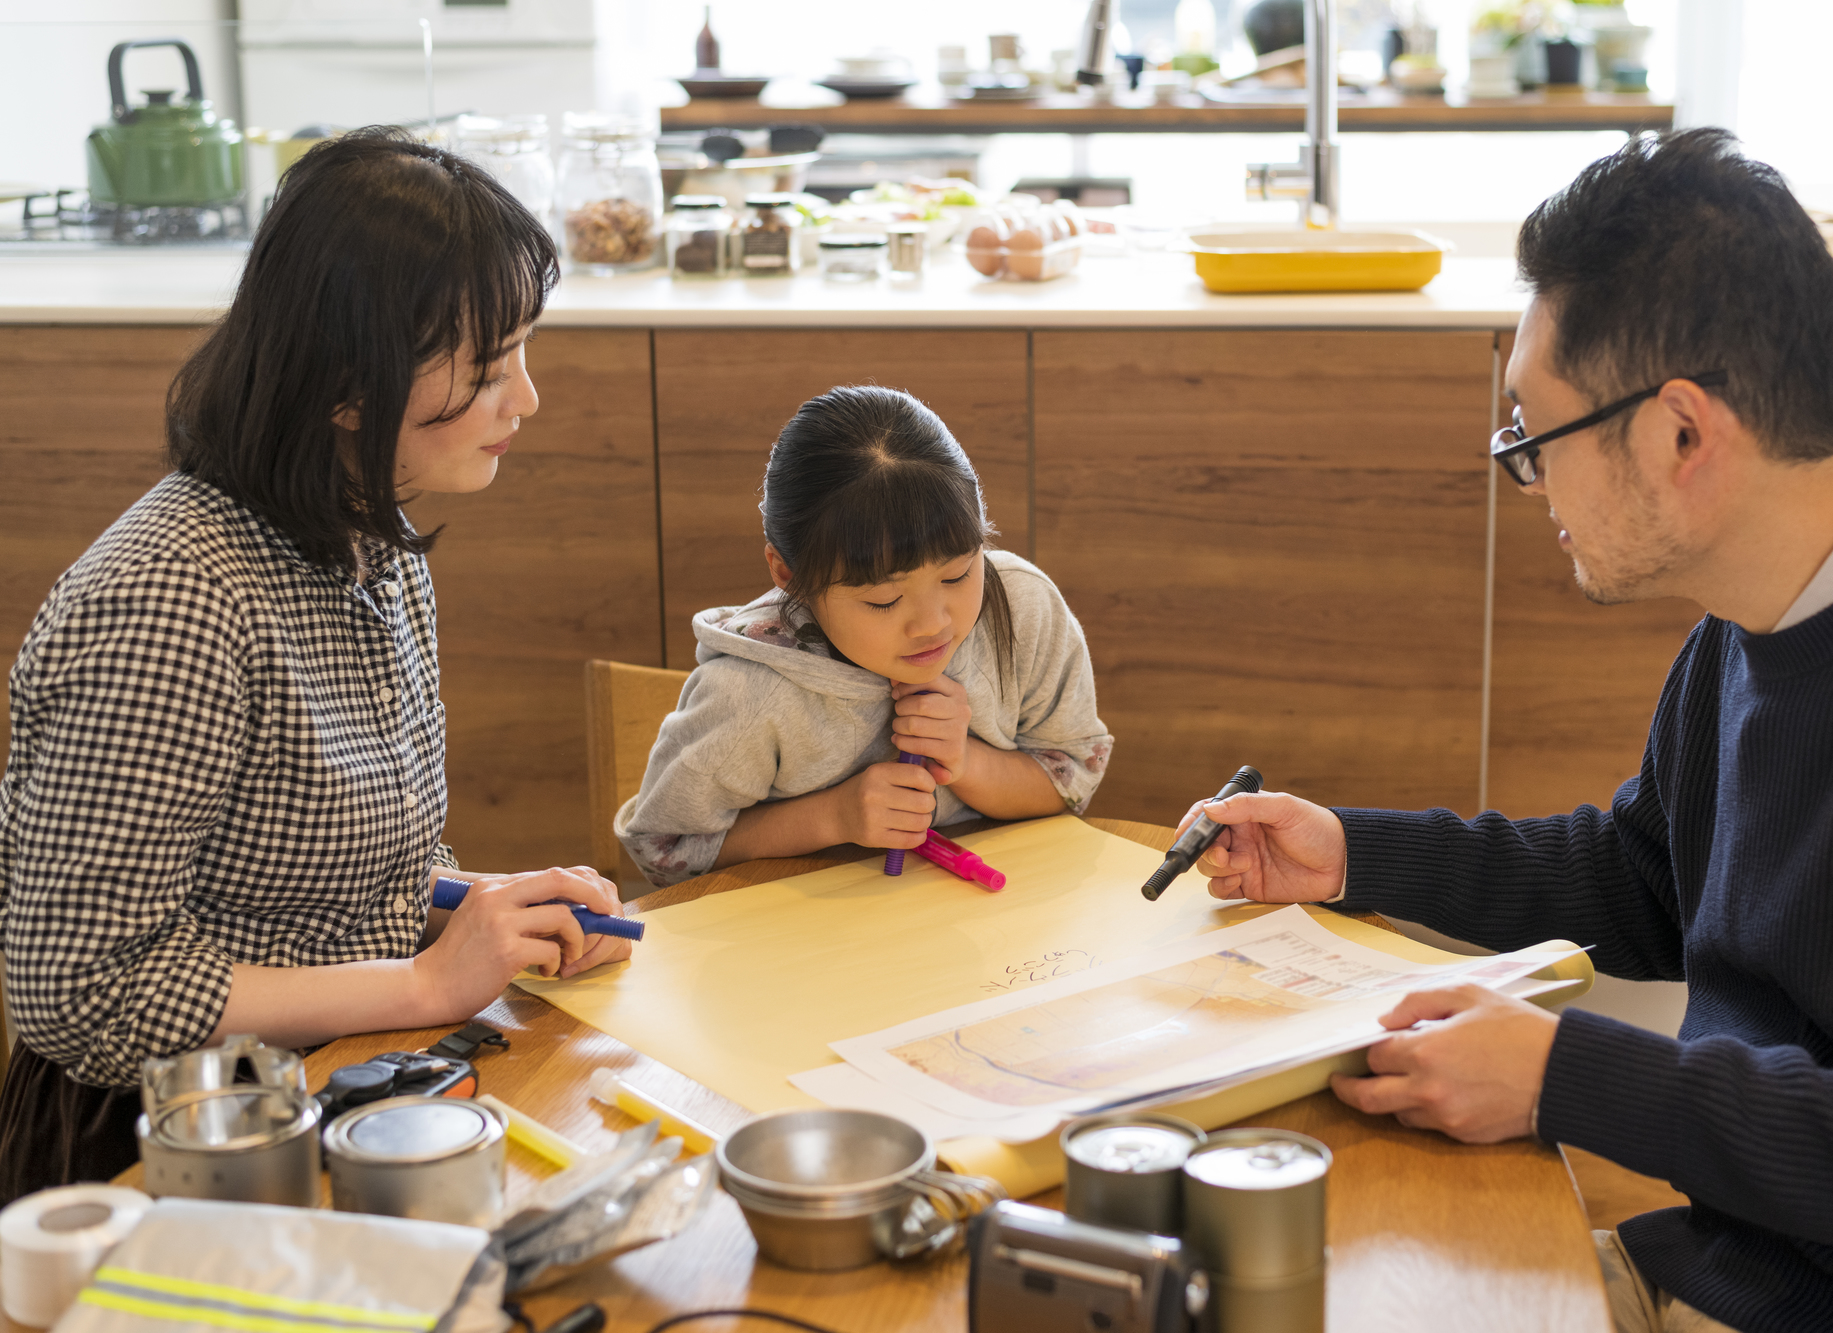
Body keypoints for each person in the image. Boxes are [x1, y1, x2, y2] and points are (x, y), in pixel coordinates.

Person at [1181, 129, 1833, 1333]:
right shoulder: (1757, 618)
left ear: (1680, 433)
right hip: (1724, 1259)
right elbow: (1644, 878)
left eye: (1534, 436)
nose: (1528, 483)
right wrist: (1352, 854)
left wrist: (1569, 1077)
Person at [0, 129, 630, 1203]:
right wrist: (430, 977)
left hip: (344, 1079)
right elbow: (83, 992)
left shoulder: (366, 537)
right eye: (484, 369)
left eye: (521, 351)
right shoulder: (169, 602)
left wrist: (476, 902)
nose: (524, 400)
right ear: (345, 390)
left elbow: (331, 875)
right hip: (170, 1144)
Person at [616, 385, 1112, 886]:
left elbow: (1073, 778)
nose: (933, 624)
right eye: (883, 601)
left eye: (958, 573)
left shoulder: (1023, 609)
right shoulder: (749, 695)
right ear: (789, 574)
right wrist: (832, 816)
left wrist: (965, 761)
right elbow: (662, 852)